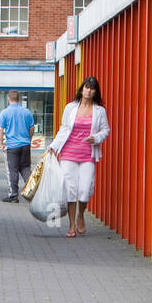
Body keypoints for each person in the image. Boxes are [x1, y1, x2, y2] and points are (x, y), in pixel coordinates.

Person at [48, 76, 110, 237]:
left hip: (87, 153)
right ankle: (71, 226)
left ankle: (81, 214)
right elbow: (64, 129)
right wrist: (53, 147)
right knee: (70, 190)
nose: (89, 91)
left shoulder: (99, 110)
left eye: (92, 88)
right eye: (86, 87)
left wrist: (96, 138)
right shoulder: (70, 107)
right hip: (68, 152)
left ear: (96, 91)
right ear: (81, 89)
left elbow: (105, 130)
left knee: (85, 190)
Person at [0, 90, 35, 202]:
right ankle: (33, 191)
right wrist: (28, 139)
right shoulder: (27, 112)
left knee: (12, 170)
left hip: (12, 146)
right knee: (25, 168)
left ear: (9, 99)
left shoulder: (4, 113)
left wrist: (1, 143)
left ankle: (13, 195)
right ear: (18, 99)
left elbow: (0, 130)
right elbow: (32, 128)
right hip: (25, 145)